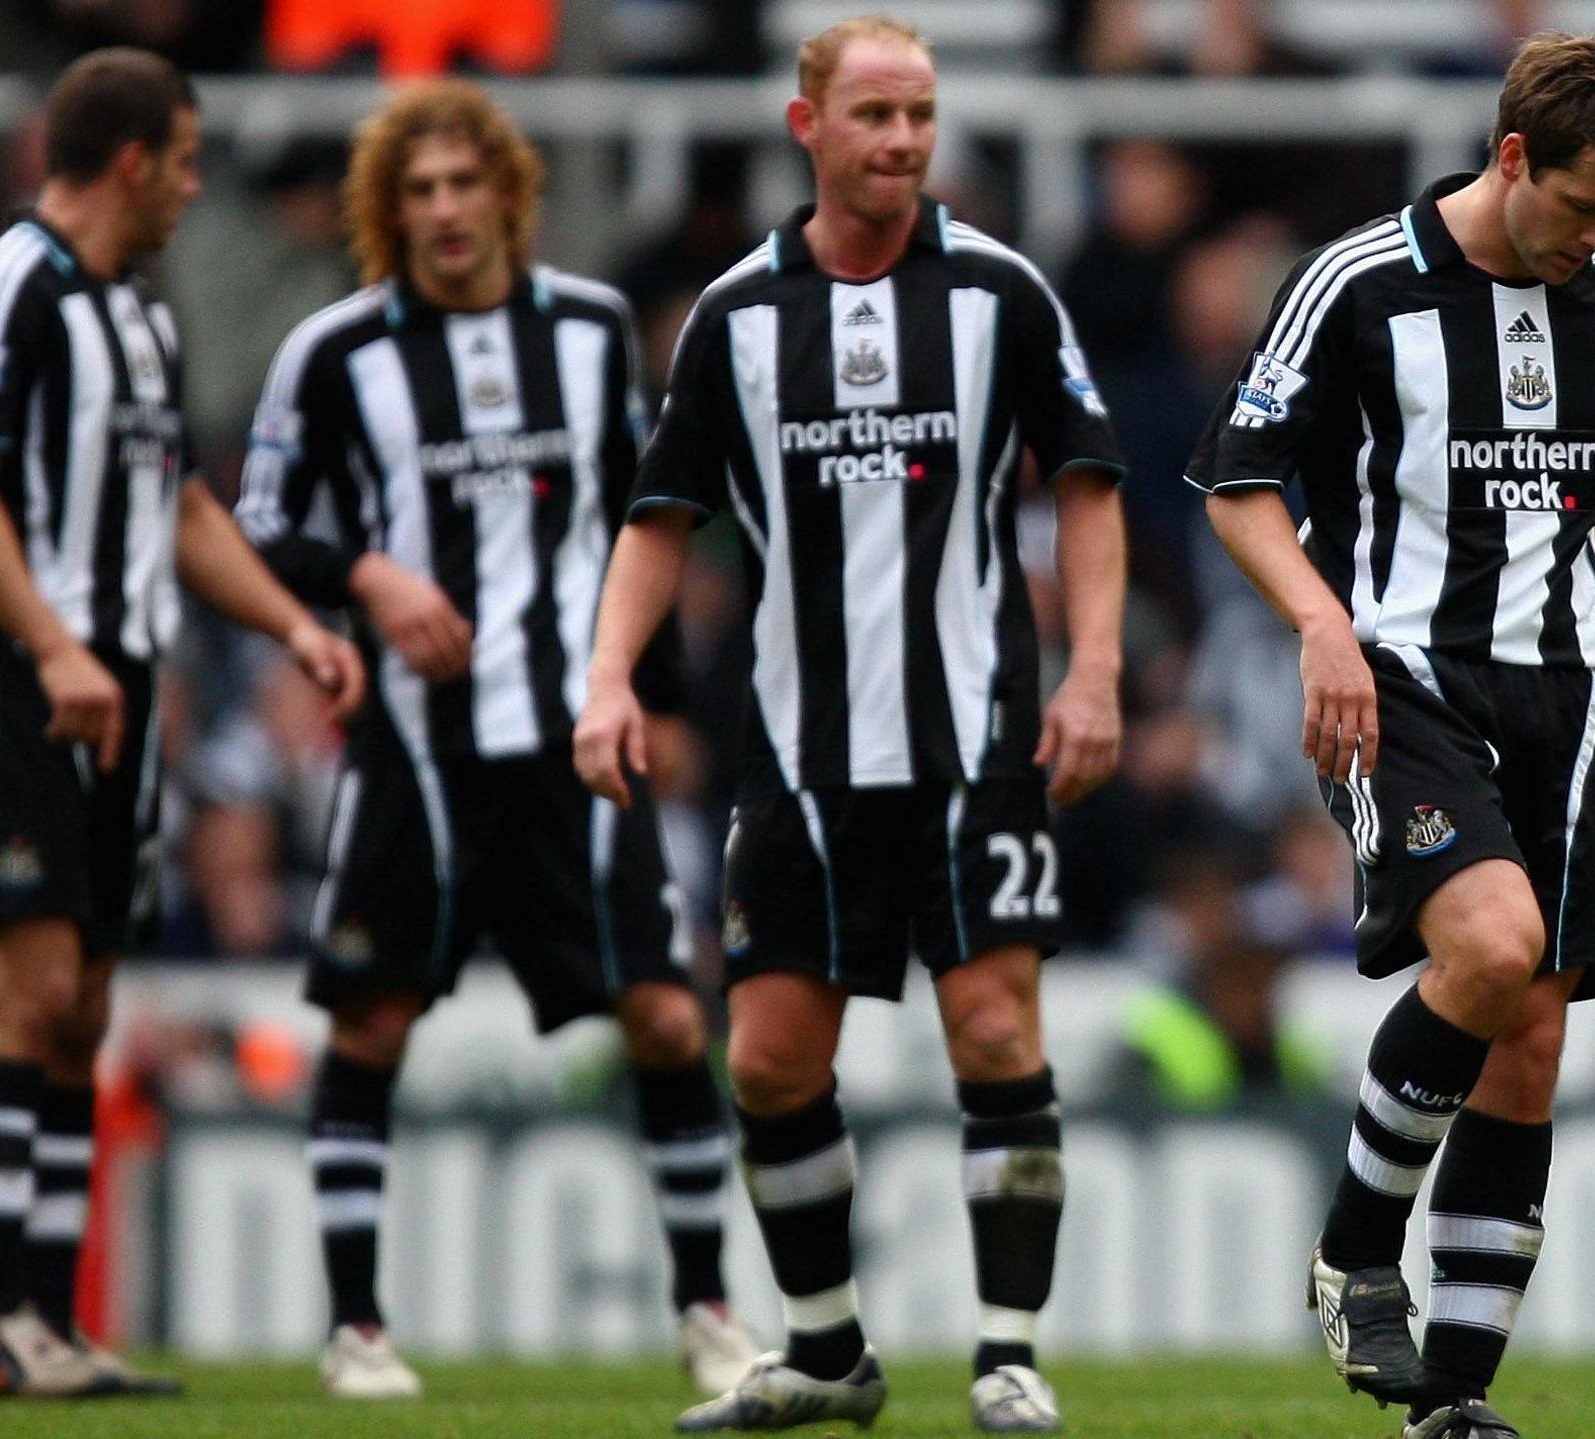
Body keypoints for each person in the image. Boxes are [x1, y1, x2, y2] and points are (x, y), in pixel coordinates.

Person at [574, 16, 1128, 1432]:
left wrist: (1095, 671)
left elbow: (1089, 477)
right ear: (805, 124)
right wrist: (605, 680)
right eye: (874, 114)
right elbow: (661, 516)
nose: (900, 140)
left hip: (976, 742)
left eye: (920, 115)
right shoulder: (735, 314)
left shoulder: (1004, 291)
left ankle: (1009, 1353)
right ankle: (827, 1356)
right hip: (802, 754)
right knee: (766, 1058)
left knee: (996, 1030)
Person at [1188, 33, 1595, 1439]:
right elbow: (1236, 484)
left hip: (1571, 691)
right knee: (1491, 950)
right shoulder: (1360, 281)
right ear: (1514, 155)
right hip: (1403, 676)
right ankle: (1356, 1246)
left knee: (1529, 1042)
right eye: (1582, 208)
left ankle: (1450, 1407)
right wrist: (1320, 624)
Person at [232, 80, 758, 1400]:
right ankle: (356, 1325)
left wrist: (670, 699)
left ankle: (706, 1307)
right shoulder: (337, 352)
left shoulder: (588, 332)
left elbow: (651, 518)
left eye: (467, 184)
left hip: (576, 741)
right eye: (419, 191)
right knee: (373, 1018)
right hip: (415, 746)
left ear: (508, 193)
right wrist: (371, 575)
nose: (447, 211)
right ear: (388, 210)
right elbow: (261, 526)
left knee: (657, 1010)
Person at [0, 47, 365, 1398]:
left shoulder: (142, 317)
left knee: (87, 1001)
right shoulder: (8, 281)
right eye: (185, 158)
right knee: (27, 985)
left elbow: (179, 511)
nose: (195, 183)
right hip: (15, 673)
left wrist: (292, 625)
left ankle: (47, 1320)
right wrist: (52, 644)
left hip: (122, 685)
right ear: (130, 160)